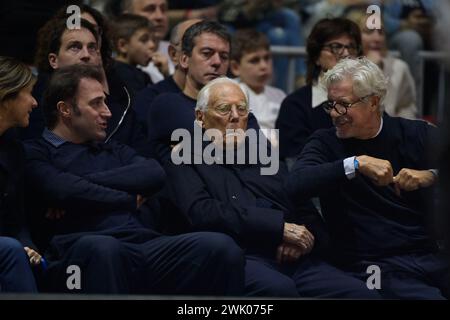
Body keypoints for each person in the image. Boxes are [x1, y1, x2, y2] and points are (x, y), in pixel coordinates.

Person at [24, 64, 245, 294]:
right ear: (65, 110)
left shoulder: (114, 149)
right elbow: (62, 190)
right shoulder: (36, 151)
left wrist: (78, 183)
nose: (108, 112)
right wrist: (128, 199)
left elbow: (154, 173)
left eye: (105, 102)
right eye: (96, 103)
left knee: (221, 247)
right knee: (103, 248)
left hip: (142, 244)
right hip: (78, 250)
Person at [164, 77, 380, 298]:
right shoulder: (183, 157)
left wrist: (306, 240)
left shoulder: (263, 151)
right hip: (240, 257)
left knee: (361, 294)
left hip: (292, 256)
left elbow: (298, 200)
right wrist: (278, 228)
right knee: (279, 290)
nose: (235, 116)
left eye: (241, 109)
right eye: (223, 109)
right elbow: (203, 212)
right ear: (200, 118)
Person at [285, 57, 449, 299]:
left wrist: (432, 176)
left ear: (373, 102)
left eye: (343, 104)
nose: (334, 113)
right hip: (372, 263)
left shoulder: (416, 133)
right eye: (330, 104)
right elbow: (294, 184)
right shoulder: (325, 142)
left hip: (429, 254)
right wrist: (354, 164)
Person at [32, 16, 152, 157]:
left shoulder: (122, 99)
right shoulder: (34, 103)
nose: (86, 55)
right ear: (54, 60)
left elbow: (148, 162)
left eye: (92, 47)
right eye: (75, 47)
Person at [147, 20, 259, 163]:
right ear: (184, 60)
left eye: (224, 57)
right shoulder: (167, 105)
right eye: (207, 53)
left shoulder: (241, 112)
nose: (217, 62)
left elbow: (262, 153)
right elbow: (214, 147)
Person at [276, 18, 362, 167]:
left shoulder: (366, 100)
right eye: (336, 47)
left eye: (352, 47)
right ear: (316, 56)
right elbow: (297, 166)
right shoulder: (295, 106)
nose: (346, 53)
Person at [0, 56, 40, 292]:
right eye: (29, 93)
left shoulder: (13, 147)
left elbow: (17, 218)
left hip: (6, 243)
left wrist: (27, 245)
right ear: (6, 97)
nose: (34, 103)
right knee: (11, 252)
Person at [347, 9, 417, 119]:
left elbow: (406, 109)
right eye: (369, 32)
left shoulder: (399, 67)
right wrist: (368, 68)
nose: (377, 38)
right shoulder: (343, 69)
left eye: (381, 32)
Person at [133, 18, 201, 128]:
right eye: (206, 52)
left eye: (223, 55)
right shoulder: (149, 101)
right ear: (174, 54)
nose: (216, 61)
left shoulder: (232, 99)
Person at [230, 29, 285, 146]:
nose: (263, 66)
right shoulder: (231, 92)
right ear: (235, 67)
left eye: (267, 58)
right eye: (254, 60)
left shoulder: (279, 95)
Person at [121, 0, 172, 83]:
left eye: (163, 9)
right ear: (128, 17)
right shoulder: (112, 64)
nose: (159, 16)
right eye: (150, 9)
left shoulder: (181, 51)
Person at [110, 14, 155, 95]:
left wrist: (165, 73)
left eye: (153, 39)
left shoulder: (142, 75)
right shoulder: (117, 75)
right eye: (144, 40)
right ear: (123, 45)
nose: (152, 45)